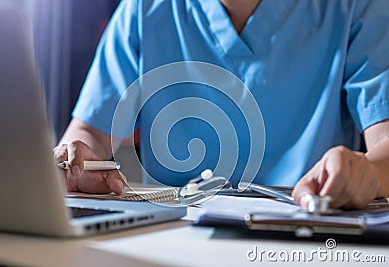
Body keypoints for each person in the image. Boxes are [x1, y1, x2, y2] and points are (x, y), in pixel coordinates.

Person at [54, 0, 389, 209]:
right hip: (167, 234)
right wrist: (74, 162)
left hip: (302, 231)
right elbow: (88, 132)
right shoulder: (144, 9)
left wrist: (368, 174)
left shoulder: (356, 8)